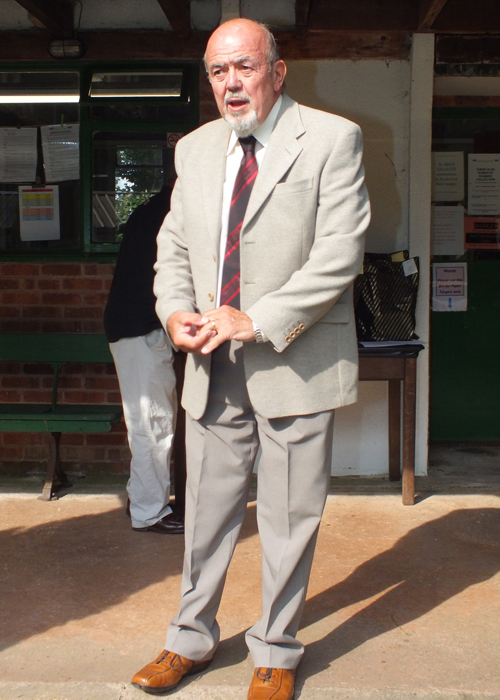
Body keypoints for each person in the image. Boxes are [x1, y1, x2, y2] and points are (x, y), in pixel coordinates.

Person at [132, 18, 370, 700]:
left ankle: (276, 648)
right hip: (211, 364)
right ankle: (190, 639)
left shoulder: (331, 139)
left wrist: (256, 320)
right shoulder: (199, 149)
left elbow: (339, 254)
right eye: (216, 72)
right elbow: (172, 246)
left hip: (293, 360)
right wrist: (173, 310)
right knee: (205, 513)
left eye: (243, 67)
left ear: (278, 70)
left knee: (290, 517)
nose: (230, 84)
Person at [104, 185, 184, 535]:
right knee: (153, 425)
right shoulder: (170, 215)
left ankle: (141, 499)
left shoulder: (152, 209)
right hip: (142, 331)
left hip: (132, 327)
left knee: (146, 422)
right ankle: (150, 512)